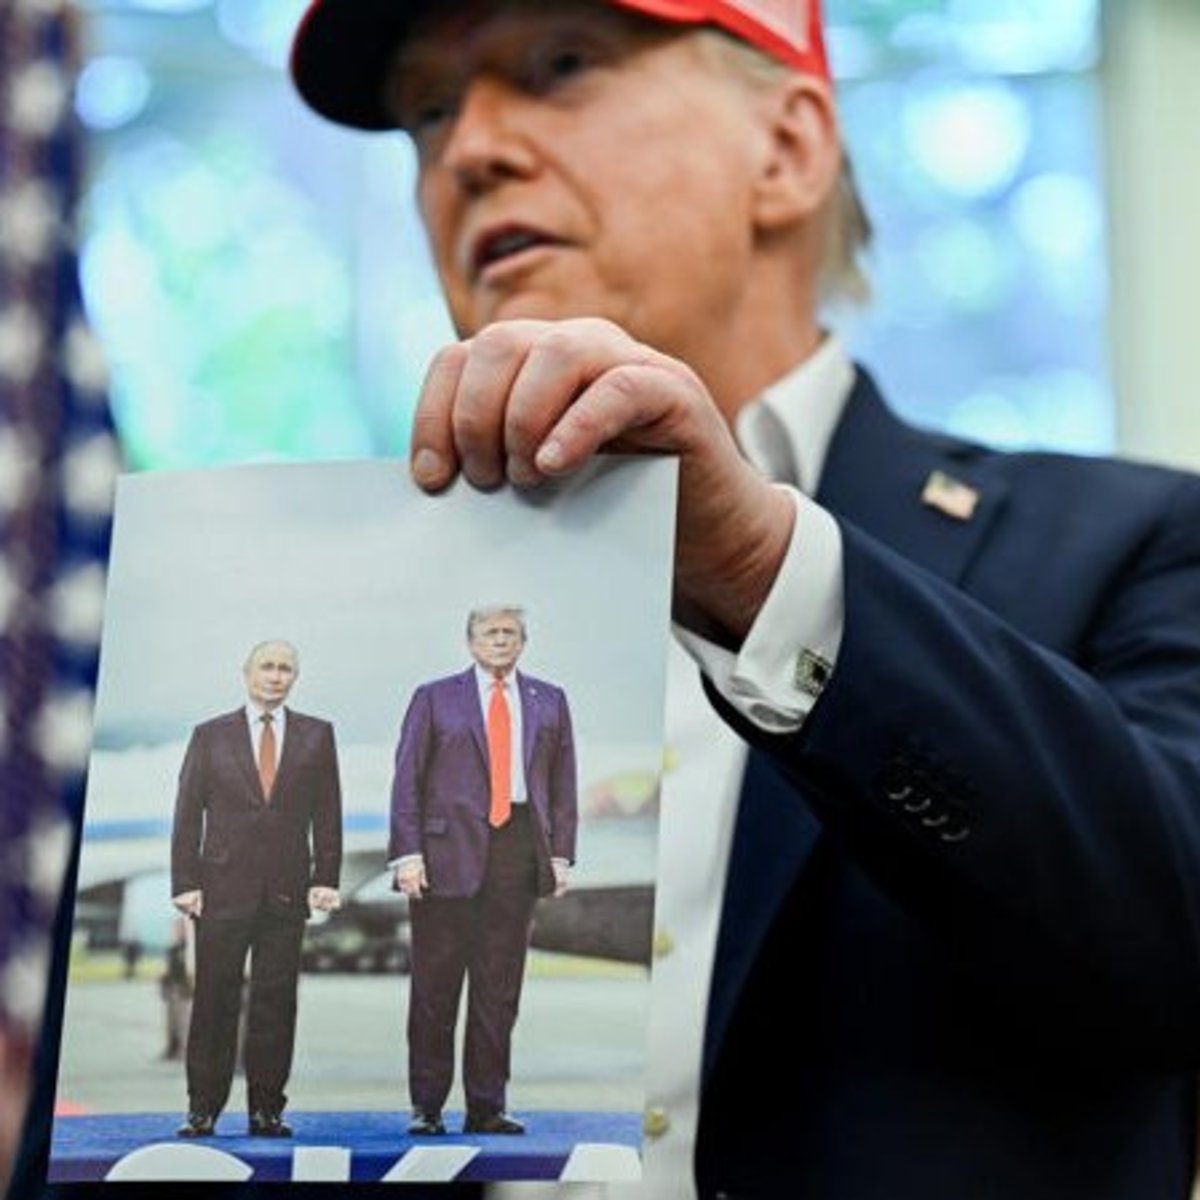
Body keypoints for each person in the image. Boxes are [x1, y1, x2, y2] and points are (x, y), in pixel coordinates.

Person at [288, 3, 1200, 1198]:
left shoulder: (1135, 545)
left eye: (559, 67)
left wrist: (761, 576)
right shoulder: (312, 617)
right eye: (429, 110)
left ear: (789, 148)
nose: (469, 152)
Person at [389, 606, 578, 1137]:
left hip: (516, 853)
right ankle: (426, 1106)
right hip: (444, 859)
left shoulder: (550, 699)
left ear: (523, 642)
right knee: (435, 988)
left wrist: (560, 855)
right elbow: (407, 778)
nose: (499, 640)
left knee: (498, 990)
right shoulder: (434, 697)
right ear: (470, 642)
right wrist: (407, 854)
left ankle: (487, 1106)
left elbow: (563, 784)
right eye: (489, 632)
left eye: (509, 632)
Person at [169, 638, 343, 1140]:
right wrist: (185, 882)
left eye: (286, 668)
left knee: (276, 1001)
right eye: (267, 666)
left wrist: (325, 876)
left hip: (286, 892)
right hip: (220, 889)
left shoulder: (317, 735)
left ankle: (266, 1109)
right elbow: (187, 814)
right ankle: (202, 1108)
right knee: (214, 1001)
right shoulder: (210, 736)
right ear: (246, 673)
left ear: (295, 677)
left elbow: (327, 812)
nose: (276, 676)